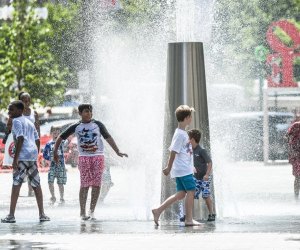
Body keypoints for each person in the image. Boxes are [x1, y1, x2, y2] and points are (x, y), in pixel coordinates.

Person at [53, 103, 128, 220]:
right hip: (84, 158)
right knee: (84, 185)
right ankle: (82, 212)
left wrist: (117, 151)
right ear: (80, 113)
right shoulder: (76, 126)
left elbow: (108, 137)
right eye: (86, 111)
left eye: (90, 111)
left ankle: (92, 211)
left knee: (96, 185)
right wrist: (55, 153)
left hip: (98, 157)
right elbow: (60, 138)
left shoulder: (97, 125)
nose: (89, 113)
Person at [1, 101, 50, 223]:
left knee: (16, 183)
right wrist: (35, 153)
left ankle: (11, 215)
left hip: (22, 157)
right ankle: (42, 214)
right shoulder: (29, 122)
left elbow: (20, 138)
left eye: (11, 110)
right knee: (36, 184)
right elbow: (37, 139)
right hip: (31, 156)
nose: (9, 112)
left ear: (19, 110)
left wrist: (15, 159)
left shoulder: (16, 121)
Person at [152, 105, 200, 226]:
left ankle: (158, 210)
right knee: (191, 190)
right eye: (190, 117)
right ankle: (189, 219)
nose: (191, 119)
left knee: (181, 194)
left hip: (184, 169)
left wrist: (191, 166)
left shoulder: (182, 133)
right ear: (187, 118)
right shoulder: (180, 135)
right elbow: (173, 152)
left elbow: (184, 153)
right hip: (183, 170)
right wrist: (168, 167)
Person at [3, 92, 40, 196]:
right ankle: (17, 186)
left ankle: (30, 189)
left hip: (30, 143)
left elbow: (37, 127)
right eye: (24, 100)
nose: (26, 102)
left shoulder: (34, 112)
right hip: (19, 143)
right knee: (17, 165)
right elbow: (9, 126)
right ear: (20, 101)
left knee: (31, 167)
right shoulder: (15, 112)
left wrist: (38, 146)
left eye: (28, 100)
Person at [188, 129, 215, 221]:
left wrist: (207, 174)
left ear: (192, 139)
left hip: (205, 178)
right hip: (196, 177)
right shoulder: (190, 150)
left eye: (188, 138)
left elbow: (210, 162)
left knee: (205, 195)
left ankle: (211, 213)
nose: (187, 140)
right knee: (191, 194)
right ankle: (188, 215)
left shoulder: (201, 150)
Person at [43, 125, 67, 204]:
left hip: (61, 165)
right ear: (51, 133)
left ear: (60, 133)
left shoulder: (62, 142)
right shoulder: (49, 144)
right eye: (54, 132)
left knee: (60, 183)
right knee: (50, 182)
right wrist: (50, 158)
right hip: (52, 166)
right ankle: (53, 196)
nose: (56, 133)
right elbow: (44, 154)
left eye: (57, 132)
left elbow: (66, 143)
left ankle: (62, 197)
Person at [287, 121, 300, 198]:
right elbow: (286, 136)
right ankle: (296, 196)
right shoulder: (296, 125)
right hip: (296, 155)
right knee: (298, 176)